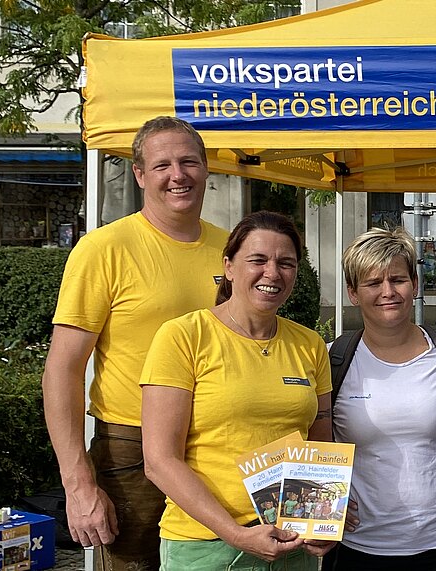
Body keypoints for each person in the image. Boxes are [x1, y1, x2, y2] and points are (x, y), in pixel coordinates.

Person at [41, 116, 227, 570]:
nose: (177, 175)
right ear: (140, 175)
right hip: (133, 448)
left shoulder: (232, 250)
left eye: (189, 162)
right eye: (161, 165)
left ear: (207, 170)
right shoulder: (104, 249)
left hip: (216, 443)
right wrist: (77, 482)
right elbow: (62, 369)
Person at [140, 211, 333, 570]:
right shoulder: (184, 336)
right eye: (257, 260)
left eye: (286, 263)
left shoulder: (310, 344)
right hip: (206, 546)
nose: (272, 274)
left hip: (291, 546)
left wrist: (323, 519)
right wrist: (235, 533)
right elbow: (160, 461)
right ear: (228, 266)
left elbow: (319, 448)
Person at [327, 227, 436, 570]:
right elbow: (309, 439)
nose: (387, 291)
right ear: (353, 293)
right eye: (373, 283)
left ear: (415, 285)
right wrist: (326, 502)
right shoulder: (333, 361)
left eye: (398, 280)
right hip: (359, 549)